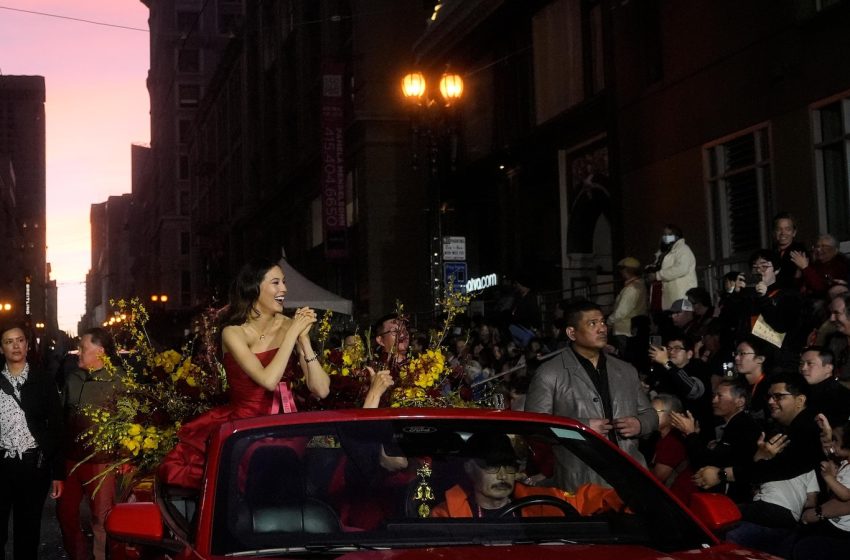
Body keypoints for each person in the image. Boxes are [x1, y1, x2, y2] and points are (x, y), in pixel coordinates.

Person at [159, 258, 330, 488]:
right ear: (254, 288)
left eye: (284, 282)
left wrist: (304, 340)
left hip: (287, 425)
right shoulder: (233, 332)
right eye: (276, 283)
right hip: (245, 429)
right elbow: (268, 381)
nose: (284, 289)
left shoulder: (291, 326)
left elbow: (321, 390)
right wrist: (292, 334)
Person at [525, 299, 657, 490]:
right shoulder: (550, 373)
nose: (602, 328)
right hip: (580, 481)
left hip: (630, 477)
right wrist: (580, 428)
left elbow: (651, 415)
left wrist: (640, 424)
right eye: (592, 323)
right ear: (572, 333)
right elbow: (536, 428)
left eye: (603, 322)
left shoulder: (626, 370)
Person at [431, 433, 624, 518]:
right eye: (492, 467)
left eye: (509, 467)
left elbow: (592, 498)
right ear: (469, 468)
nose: (502, 475)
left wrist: (636, 499)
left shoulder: (544, 503)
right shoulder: (447, 515)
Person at [57, 328, 126, 560]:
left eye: (84, 348)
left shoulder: (118, 381)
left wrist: (123, 456)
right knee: (66, 514)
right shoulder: (72, 378)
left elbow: (130, 422)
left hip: (101, 461)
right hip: (70, 461)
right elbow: (62, 416)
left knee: (102, 519)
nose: (79, 353)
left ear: (101, 352)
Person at [0, 322, 64, 560]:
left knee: (27, 533)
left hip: (33, 466)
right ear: (1, 348)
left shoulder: (43, 380)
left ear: (27, 345)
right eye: (9, 341)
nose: (15, 346)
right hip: (1, 464)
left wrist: (58, 473)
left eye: (19, 340)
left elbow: (56, 426)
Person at [670, 376, 760, 503]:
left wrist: (690, 434)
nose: (714, 400)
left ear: (740, 402)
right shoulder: (737, 424)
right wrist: (692, 436)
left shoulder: (742, 425)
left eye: (720, 396)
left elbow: (708, 465)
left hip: (733, 501)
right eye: (714, 395)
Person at [650, 393, 698, 504]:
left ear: (672, 416)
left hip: (679, 501)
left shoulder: (673, 441)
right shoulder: (663, 438)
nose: (649, 416)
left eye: (654, 412)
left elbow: (657, 477)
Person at [646, 224, 697, 314]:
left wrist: (658, 275)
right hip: (670, 297)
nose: (664, 237)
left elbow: (681, 269)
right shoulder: (668, 251)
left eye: (668, 235)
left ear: (676, 236)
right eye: (664, 235)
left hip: (680, 296)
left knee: (680, 322)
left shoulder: (683, 250)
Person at [606, 256, 648, 354]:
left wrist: (608, 322)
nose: (621, 273)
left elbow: (621, 312)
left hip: (624, 329)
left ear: (627, 271)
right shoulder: (641, 285)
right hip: (633, 328)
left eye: (622, 269)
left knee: (623, 356)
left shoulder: (631, 289)